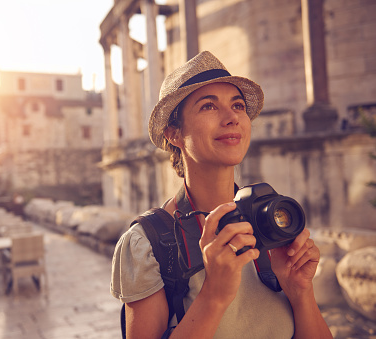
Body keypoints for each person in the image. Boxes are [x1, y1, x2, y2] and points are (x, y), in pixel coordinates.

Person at [110, 51, 332, 338]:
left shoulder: (273, 222)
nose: (232, 118)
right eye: (208, 107)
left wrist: (300, 291)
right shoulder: (148, 244)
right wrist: (213, 296)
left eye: (238, 105)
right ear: (174, 135)